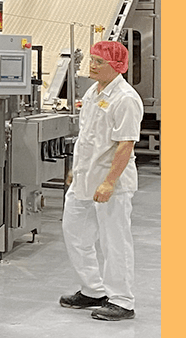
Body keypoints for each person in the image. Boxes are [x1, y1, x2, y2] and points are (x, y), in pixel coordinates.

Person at [59, 40, 145, 320]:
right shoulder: (94, 91)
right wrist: (76, 169)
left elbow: (124, 145)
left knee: (114, 241)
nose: (91, 66)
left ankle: (122, 300)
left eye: (99, 62)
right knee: (74, 232)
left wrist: (109, 182)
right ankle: (93, 290)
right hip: (84, 178)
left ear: (117, 67)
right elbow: (89, 137)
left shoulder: (126, 99)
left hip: (112, 183)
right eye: (92, 59)